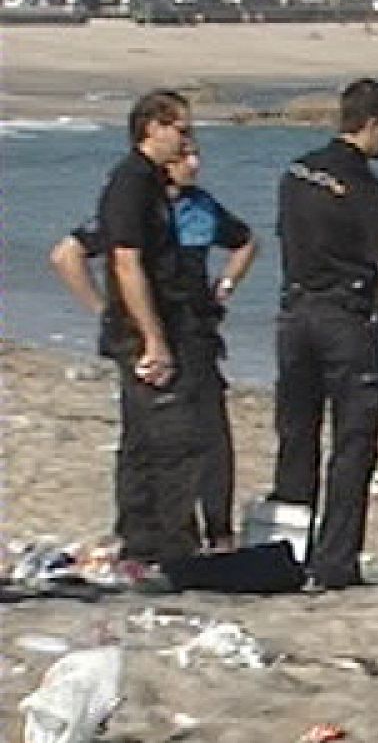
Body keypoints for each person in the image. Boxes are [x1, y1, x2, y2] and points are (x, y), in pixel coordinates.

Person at [51, 138, 257, 552]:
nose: (194, 163)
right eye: (185, 156)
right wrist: (107, 311)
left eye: (197, 154)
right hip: (150, 338)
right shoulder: (137, 212)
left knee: (212, 433)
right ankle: (144, 535)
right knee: (147, 436)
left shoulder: (203, 206)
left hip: (197, 334)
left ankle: (219, 531)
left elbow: (246, 242)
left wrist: (226, 285)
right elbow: (66, 256)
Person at [268, 79, 378, 591]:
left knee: (296, 435)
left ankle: (284, 551)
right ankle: (334, 563)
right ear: (372, 124)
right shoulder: (366, 187)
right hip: (345, 317)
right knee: (352, 444)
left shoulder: (296, 173)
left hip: (295, 311)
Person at [91, 89, 213, 584]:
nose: (187, 141)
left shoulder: (151, 184)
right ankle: (166, 546)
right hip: (145, 328)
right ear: (152, 128)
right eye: (180, 130)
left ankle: (141, 546)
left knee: (143, 438)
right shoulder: (131, 184)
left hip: (157, 321)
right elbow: (125, 261)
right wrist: (153, 338)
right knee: (172, 439)